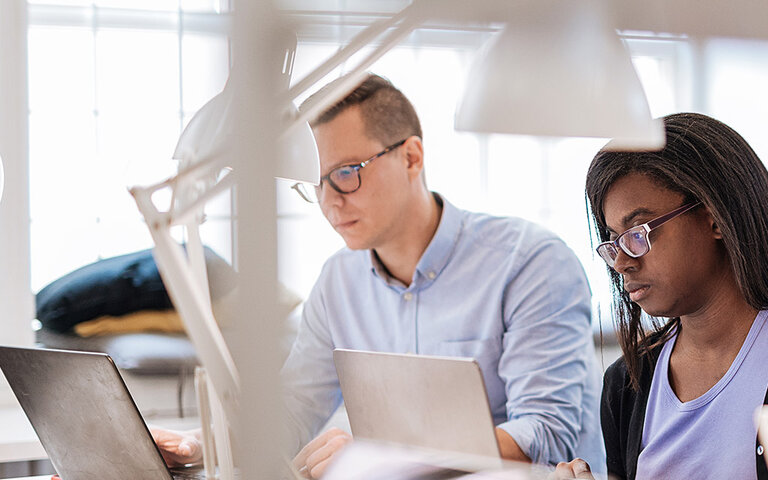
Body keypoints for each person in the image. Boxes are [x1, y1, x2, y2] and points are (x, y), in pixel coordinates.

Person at [150, 74, 606, 479]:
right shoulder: (338, 281)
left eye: (347, 174)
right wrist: (198, 443)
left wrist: (386, 456)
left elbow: (546, 436)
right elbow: (295, 409)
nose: (330, 202)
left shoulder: (530, 263)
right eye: (315, 182)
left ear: (411, 157)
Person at [552, 112, 768, 480]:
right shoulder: (627, 380)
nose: (621, 261)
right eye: (615, 240)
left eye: (638, 232)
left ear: (714, 217)